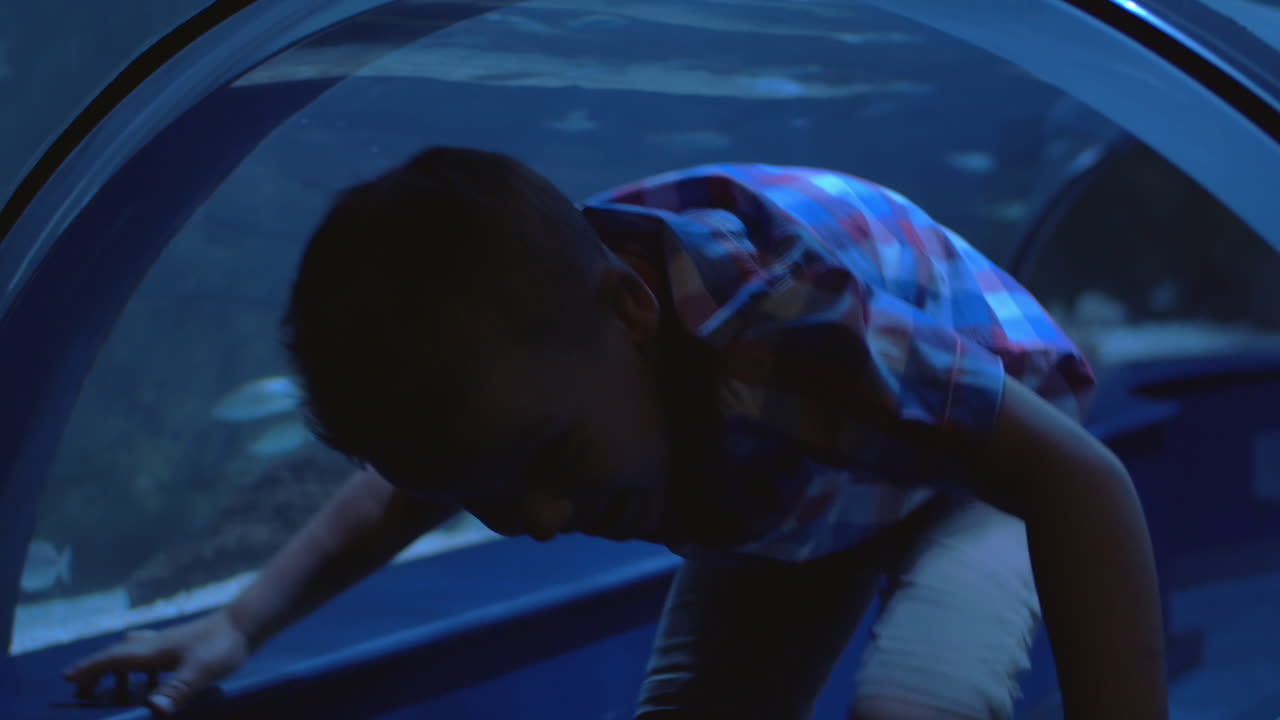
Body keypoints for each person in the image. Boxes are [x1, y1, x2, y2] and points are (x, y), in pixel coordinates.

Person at [63, 147, 1169, 719]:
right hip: (790, 485)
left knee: (906, 710)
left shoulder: (779, 323)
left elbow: (1079, 483)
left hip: (960, 463)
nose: (540, 520)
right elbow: (404, 489)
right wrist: (238, 627)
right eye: (493, 496)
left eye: (552, 462)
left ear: (635, 315)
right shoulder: (531, 353)